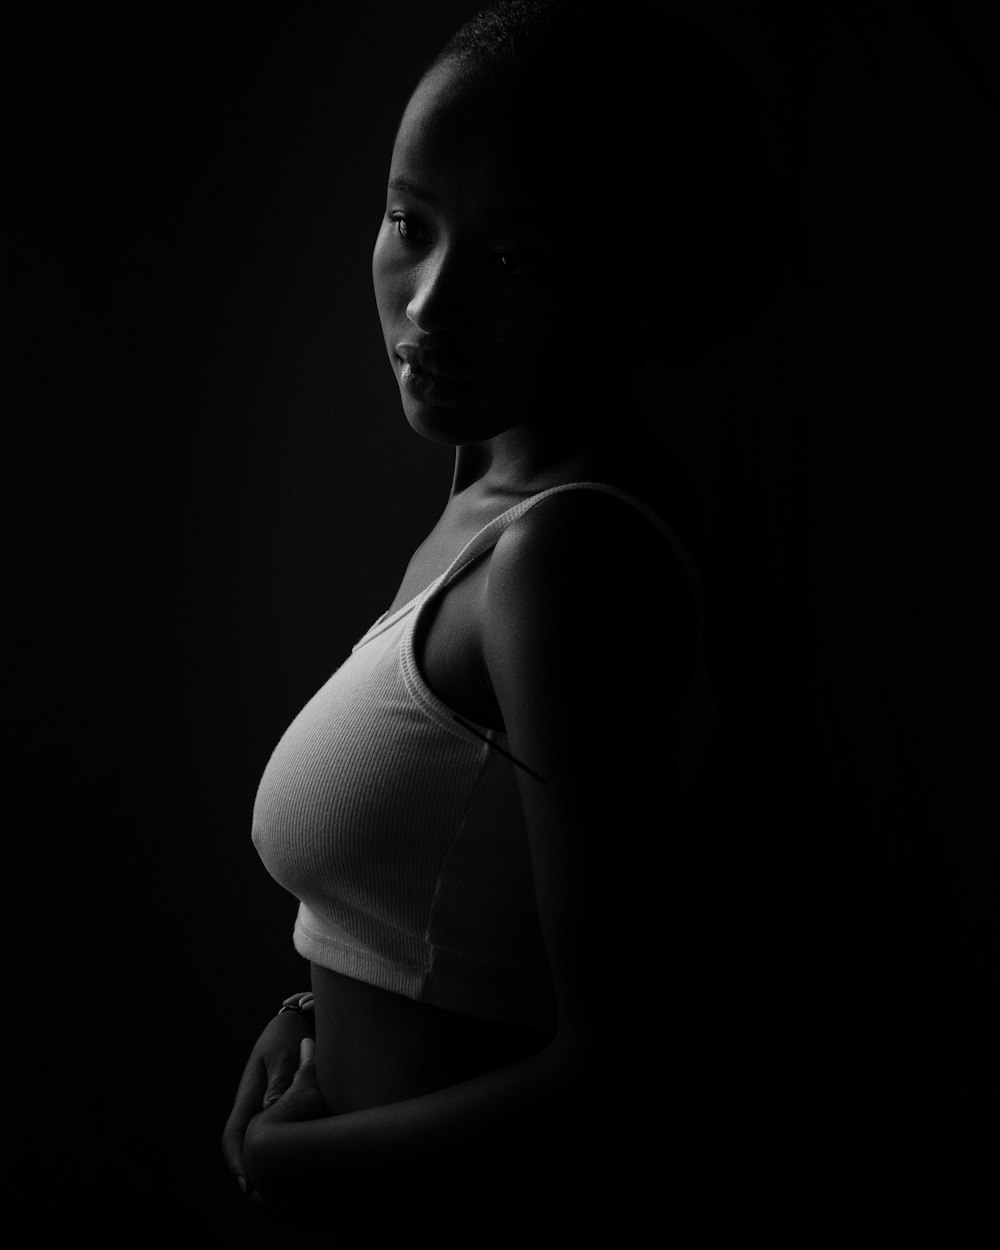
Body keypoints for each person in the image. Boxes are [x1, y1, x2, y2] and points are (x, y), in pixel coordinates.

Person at [222, 1, 784, 1244]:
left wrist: (298, 1166)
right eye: (408, 223)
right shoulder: (483, 500)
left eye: (512, 259)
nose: (429, 302)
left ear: (625, 274)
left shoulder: (564, 559)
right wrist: (313, 1017)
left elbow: (630, 1064)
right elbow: (454, 900)